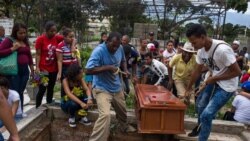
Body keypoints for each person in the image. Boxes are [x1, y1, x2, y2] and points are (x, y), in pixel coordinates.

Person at [185, 24, 241, 140]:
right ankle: (200, 128)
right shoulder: (201, 51)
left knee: (207, 114)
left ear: (203, 37)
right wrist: (188, 88)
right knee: (201, 105)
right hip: (214, 80)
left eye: (194, 42)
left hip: (227, 86)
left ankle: (202, 138)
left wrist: (214, 78)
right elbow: (197, 71)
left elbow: (237, 72)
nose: (193, 46)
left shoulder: (222, 50)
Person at [85, 32, 136, 141]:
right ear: (106, 41)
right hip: (102, 88)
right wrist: (108, 67)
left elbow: (123, 60)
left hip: (116, 87)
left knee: (122, 111)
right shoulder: (99, 51)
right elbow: (88, 70)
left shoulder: (120, 48)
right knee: (105, 115)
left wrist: (125, 70)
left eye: (117, 46)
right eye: (113, 45)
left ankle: (124, 126)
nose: (115, 48)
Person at [0, 23, 34, 111]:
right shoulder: (9, 40)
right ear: (15, 32)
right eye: (20, 33)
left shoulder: (25, 41)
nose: (23, 35)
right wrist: (13, 49)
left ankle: (20, 111)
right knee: (15, 92)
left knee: (21, 91)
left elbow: (29, 56)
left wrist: (32, 70)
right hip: (13, 70)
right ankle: (11, 113)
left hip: (25, 71)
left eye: (24, 33)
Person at [35, 21, 63, 108]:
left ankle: (49, 103)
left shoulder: (57, 38)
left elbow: (68, 37)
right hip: (43, 69)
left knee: (51, 87)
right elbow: (38, 54)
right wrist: (37, 67)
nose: (54, 33)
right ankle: (37, 106)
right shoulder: (40, 39)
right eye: (51, 31)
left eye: (55, 31)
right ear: (46, 31)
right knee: (42, 88)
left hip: (54, 69)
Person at [56, 28, 80, 98]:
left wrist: (79, 67)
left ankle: (75, 101)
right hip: (66, 69)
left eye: (73, 36)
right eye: (70, 37)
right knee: (65, 86)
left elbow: (74, 56)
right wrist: (59, 73)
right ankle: (65, 102)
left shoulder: (74, 45)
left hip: (74, 68)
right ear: (64, 37)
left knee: (75, 85)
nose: (72, 38)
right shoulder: (60, 46)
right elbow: (59, 61)